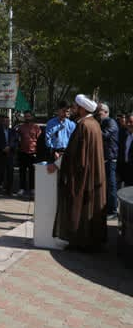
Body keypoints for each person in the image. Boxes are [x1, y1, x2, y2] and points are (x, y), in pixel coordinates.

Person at [51, 95, 107, 252]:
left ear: (82, 109)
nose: (73, 109)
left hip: (83, 176)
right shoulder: (93, 124)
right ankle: (90, 241)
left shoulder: (83, 125)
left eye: (75, 107)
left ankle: (80, 241)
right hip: (92, 174)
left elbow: (74, 154)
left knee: (78, 206)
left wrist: (58, 164)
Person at [98, 103, 119, 219]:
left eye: (100, 112)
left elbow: (105, 135)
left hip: (111, 159)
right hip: (105, 158)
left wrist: (94, 128)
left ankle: (113, 211)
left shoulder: (111, 123)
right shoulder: (104, 123)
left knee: (111, 185)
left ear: (106, 112)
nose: (98, 114)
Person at [16, 111, 41, 199]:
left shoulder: (36, 127)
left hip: (33, 152)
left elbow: (39, 140)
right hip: (23, 152)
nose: (27, 118)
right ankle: (22, 188)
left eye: (29, 116)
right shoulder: (21, 127)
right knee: (22, 171)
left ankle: (32, 189)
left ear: (32, 117)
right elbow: (17, 139)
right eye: (26, 116)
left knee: (32, 172)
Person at [119, 114, 133, 188]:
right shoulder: (125, 135)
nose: (128, 124)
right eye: (127, 122)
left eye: (131, 122)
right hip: (126, 169)